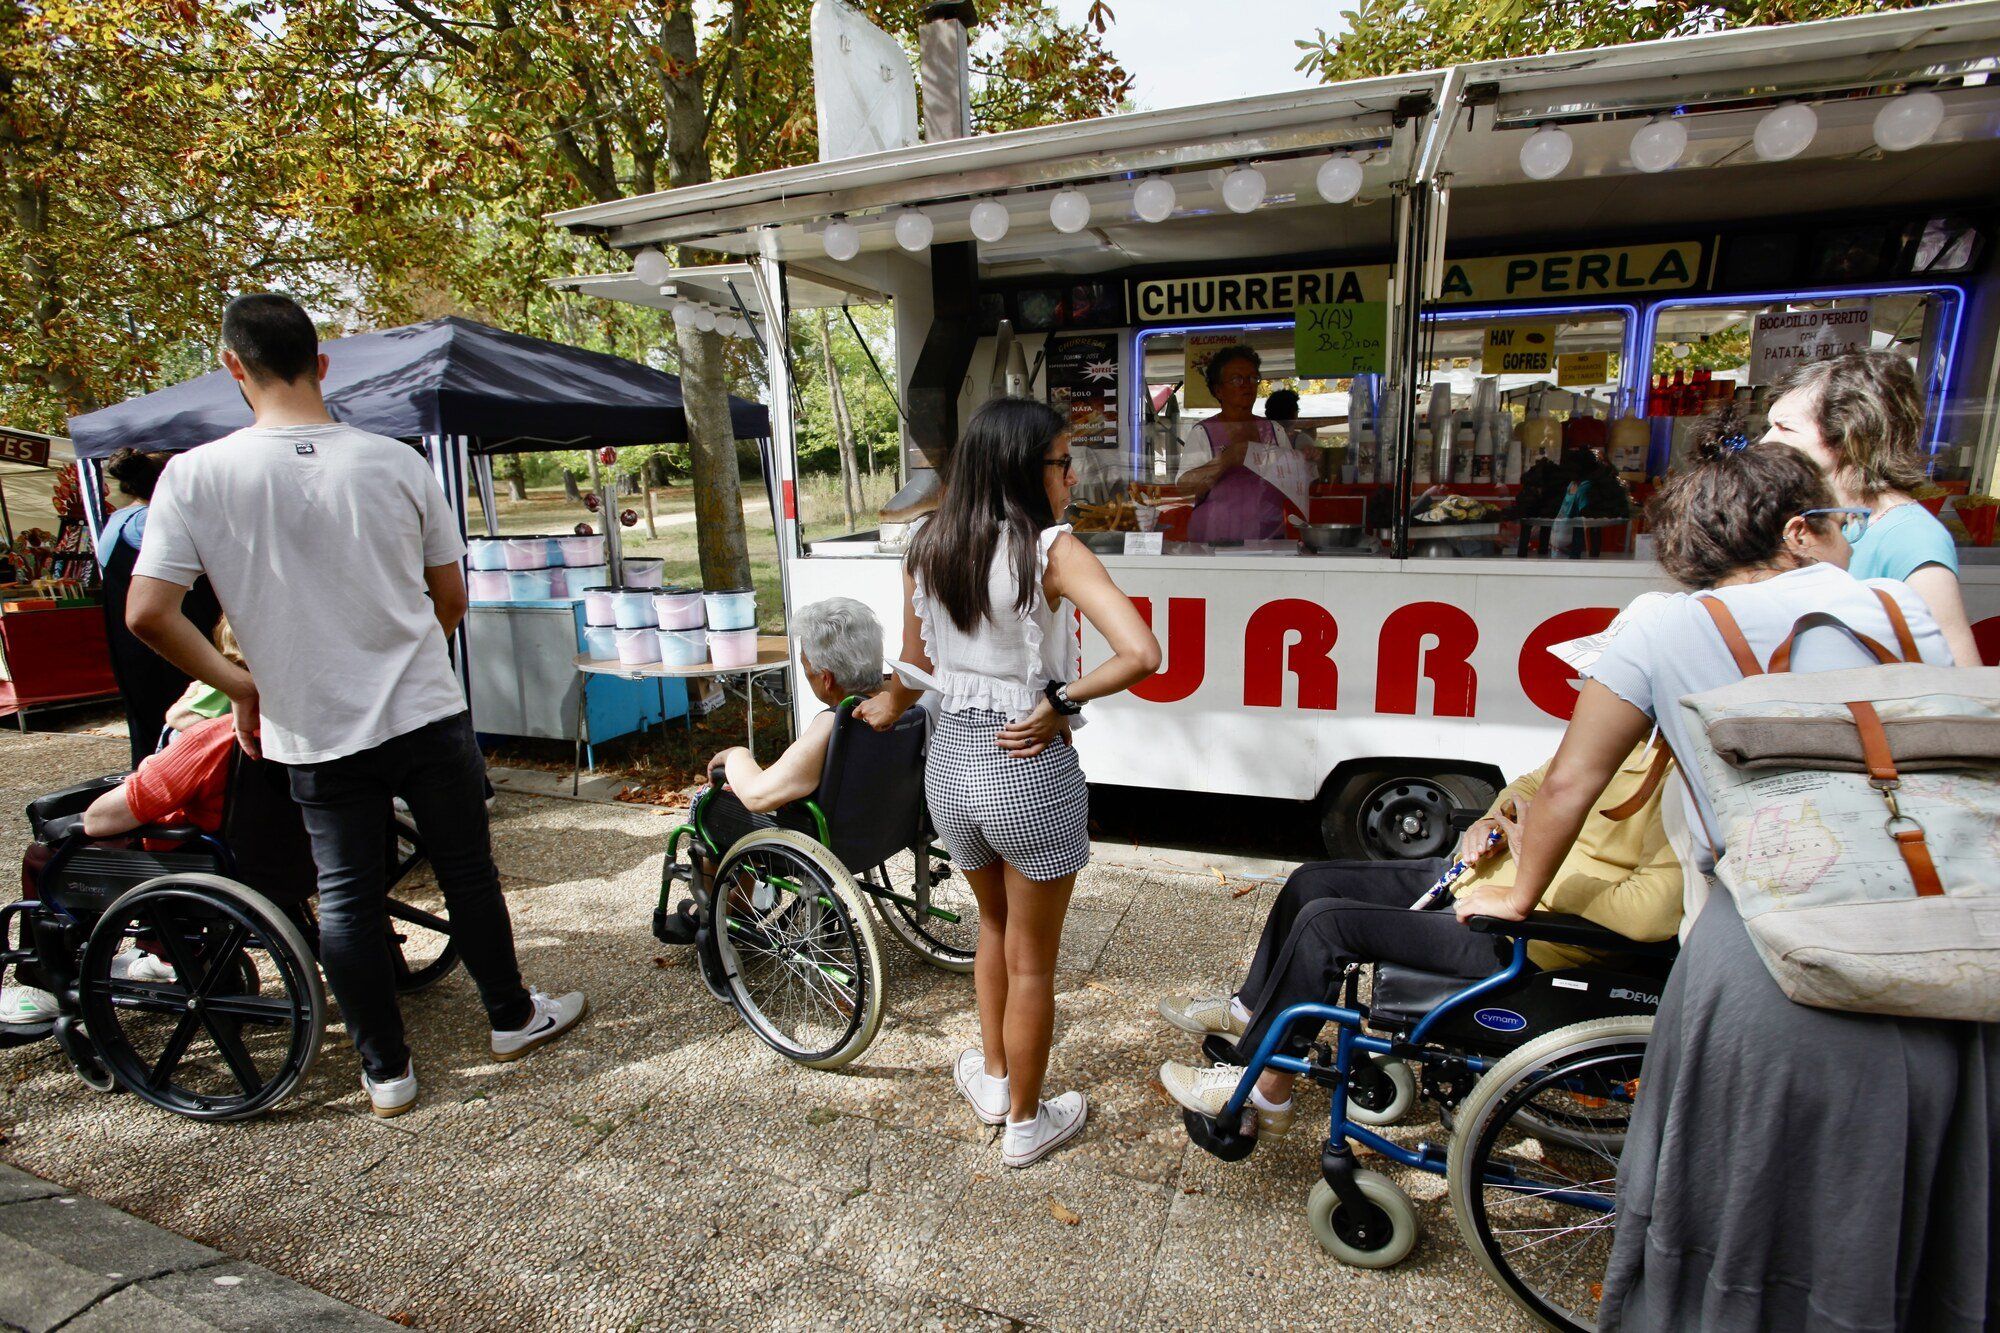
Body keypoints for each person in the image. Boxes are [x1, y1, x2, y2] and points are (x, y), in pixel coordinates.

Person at [1454, 440, 1991, 1332]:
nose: (1850, 539)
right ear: (1799, 530)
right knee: (1910, 1224)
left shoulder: (1664, 626)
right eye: (1842, 522)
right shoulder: (1904, 608)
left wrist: (1516, 897)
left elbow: (1569, 784)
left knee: (1745, 1220)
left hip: (1776, 958)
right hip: (1941, 940)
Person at [125, 292, 584, 1120]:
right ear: (322, 363)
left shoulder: (193, 476)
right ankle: (511, 1016)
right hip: (424, 706)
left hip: (310, 720)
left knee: (343, 893)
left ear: (234, 367)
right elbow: (450, 595)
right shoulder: (396, 462)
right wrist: (405, 643)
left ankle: (386, 1070)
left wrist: (243, 686)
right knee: (467, 871)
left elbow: (147, 613)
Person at [857, 397, 1160, 1167]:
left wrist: (885, 703)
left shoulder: (928, 543)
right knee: (1033, 960)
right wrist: (1060, 703)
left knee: (991, 929)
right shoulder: (1053, 550)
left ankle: (994, 1080)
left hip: (951, 770)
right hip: (1026, 771)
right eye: (1064, 462)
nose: (1073, 477)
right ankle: (1027, 1122)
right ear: (1029, 469)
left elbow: (915, 666)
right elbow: (1142, 651)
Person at [1156, 741, 1681, 1133]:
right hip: (1476, 879)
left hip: (1524, 935)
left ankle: (1268, 1089)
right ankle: (1252, 1011)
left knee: (1326, 923)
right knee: (1311, 880)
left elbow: (1655, 910)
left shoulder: (1678, 781)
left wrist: (1539, 877)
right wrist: (1497, 819)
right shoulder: (1621, 742)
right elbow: (1527, 786)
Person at [1763, 349, 1982, 666]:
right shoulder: (1823, 517)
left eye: (1785, 428)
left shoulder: (1910, 537)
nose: (1765, 442)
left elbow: (1960, 672)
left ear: (1851, 436)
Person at [96, 448, 221, 766]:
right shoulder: (152, 521)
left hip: (133, 643)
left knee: (147, 718)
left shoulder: (116, 520)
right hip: (176, 637)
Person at [705, 597, 885, 813]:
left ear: (826, 678)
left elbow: (758, 796)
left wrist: (735, 754)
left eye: (805, 666)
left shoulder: (834, 722)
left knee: (706, 805)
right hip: (882, 829)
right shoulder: (903, 705)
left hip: (822, 838)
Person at [1175, 346, 1316, 543]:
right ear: (1218, 390)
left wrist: (1304, 463)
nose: (1246, 385)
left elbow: (1292, 482)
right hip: (1214, 539)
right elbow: (1184, 487)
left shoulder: (1274, 430)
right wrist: (1226, 459)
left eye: (1252, 378)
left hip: (1268, 536)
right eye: (1236, 379)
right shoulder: (1203, 432)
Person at [164, 617, 242, 733]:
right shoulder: (235, 681)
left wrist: (188, 696)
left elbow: (175, 718)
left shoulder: (228, 680)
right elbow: (178, 718)